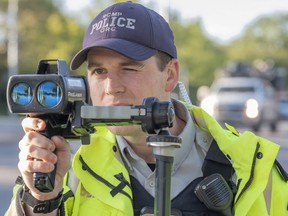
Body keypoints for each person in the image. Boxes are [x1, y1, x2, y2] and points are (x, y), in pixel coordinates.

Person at [5, 1, 288, 216]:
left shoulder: (250, 164)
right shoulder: (65, 165)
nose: (111, 86)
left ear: (171, 74)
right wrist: (42, 199)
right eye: (99, 71)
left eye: (128, 68)